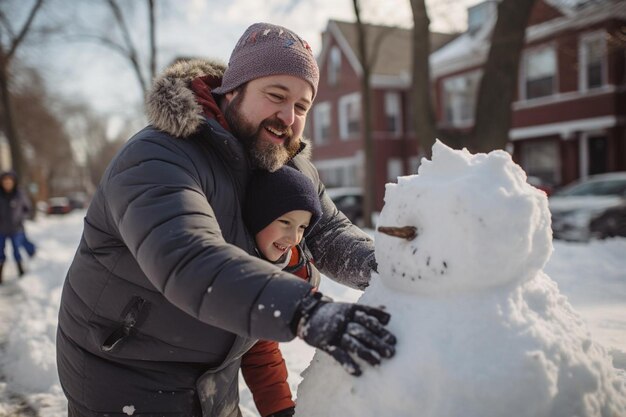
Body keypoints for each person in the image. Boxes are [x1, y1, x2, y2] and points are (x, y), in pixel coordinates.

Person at [56, 22, 396, 417]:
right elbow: (189, 257)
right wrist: (304, 310)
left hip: (214, 379)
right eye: (276, 95)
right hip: (125, 375)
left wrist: (388, 267)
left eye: (302, 106)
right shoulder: (158, 156)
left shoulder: (285, 162)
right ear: (232, 90)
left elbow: (330, 232)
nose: (288, 117)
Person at [199, 165, 324, 417]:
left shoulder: (277, 270)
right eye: (285, 222)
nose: (294, 237)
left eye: (302, 227)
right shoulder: (218, 264)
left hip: (215, 399)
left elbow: (260, 348)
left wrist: (279, 409)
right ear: (258, 216)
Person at [0, 170, 36, 283]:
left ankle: (21, 271)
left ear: (14, 182)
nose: (7, 184)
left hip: (17, 228)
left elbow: (28, 209)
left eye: (9, 181)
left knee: (16, 249)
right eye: (4, 181)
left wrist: (21, 218)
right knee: (0, 251)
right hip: (1, 229)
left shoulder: (20, 194)